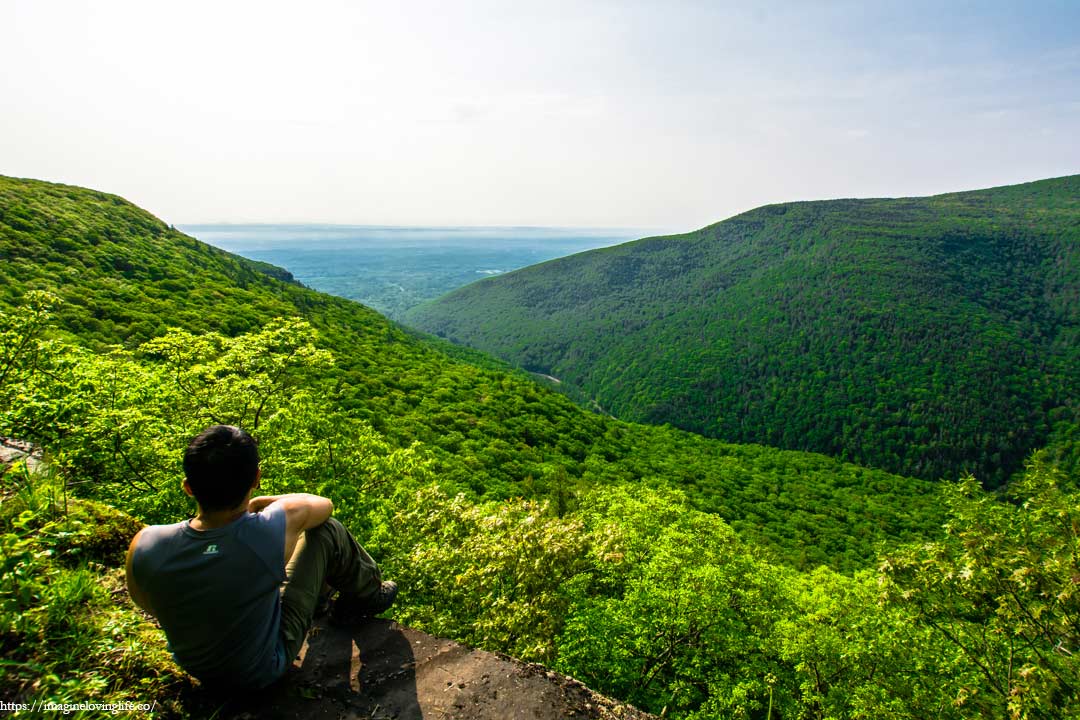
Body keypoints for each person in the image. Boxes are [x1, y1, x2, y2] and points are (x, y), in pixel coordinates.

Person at [125, 424, 397, 689]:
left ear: (188, 487)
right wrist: (257, 503)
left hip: (197, 667)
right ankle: (369, 595)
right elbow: (323, 506)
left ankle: (332, 602)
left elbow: (146, 603)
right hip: (262, 668)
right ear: (256, 478)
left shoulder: (146, 543)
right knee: (326, 531)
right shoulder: (267, 532)